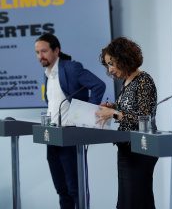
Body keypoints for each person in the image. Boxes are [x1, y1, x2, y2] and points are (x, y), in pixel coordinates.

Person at [35, 34, 106, 209]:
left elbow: (98, 85)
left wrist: (86, 115)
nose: (40, 56)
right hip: (51, 137)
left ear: (56, 50)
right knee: (61, 190)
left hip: (69, 137)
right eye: (37, 52)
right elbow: (51, 103)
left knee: (75, 190)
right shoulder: (47, 73)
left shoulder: (71, 68)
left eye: (44, 51)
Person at [95, 37, 158, 209]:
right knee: (126, 202)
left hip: (141, 148)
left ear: (124, 57)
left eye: (112, 63)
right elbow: (130, 109)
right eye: (108, 65)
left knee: (137, 201)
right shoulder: (127, 81)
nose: (110, 69)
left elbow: (143, 118)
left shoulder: (143, 80)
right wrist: (113, 107)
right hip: (127, 147)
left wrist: (114, 113)